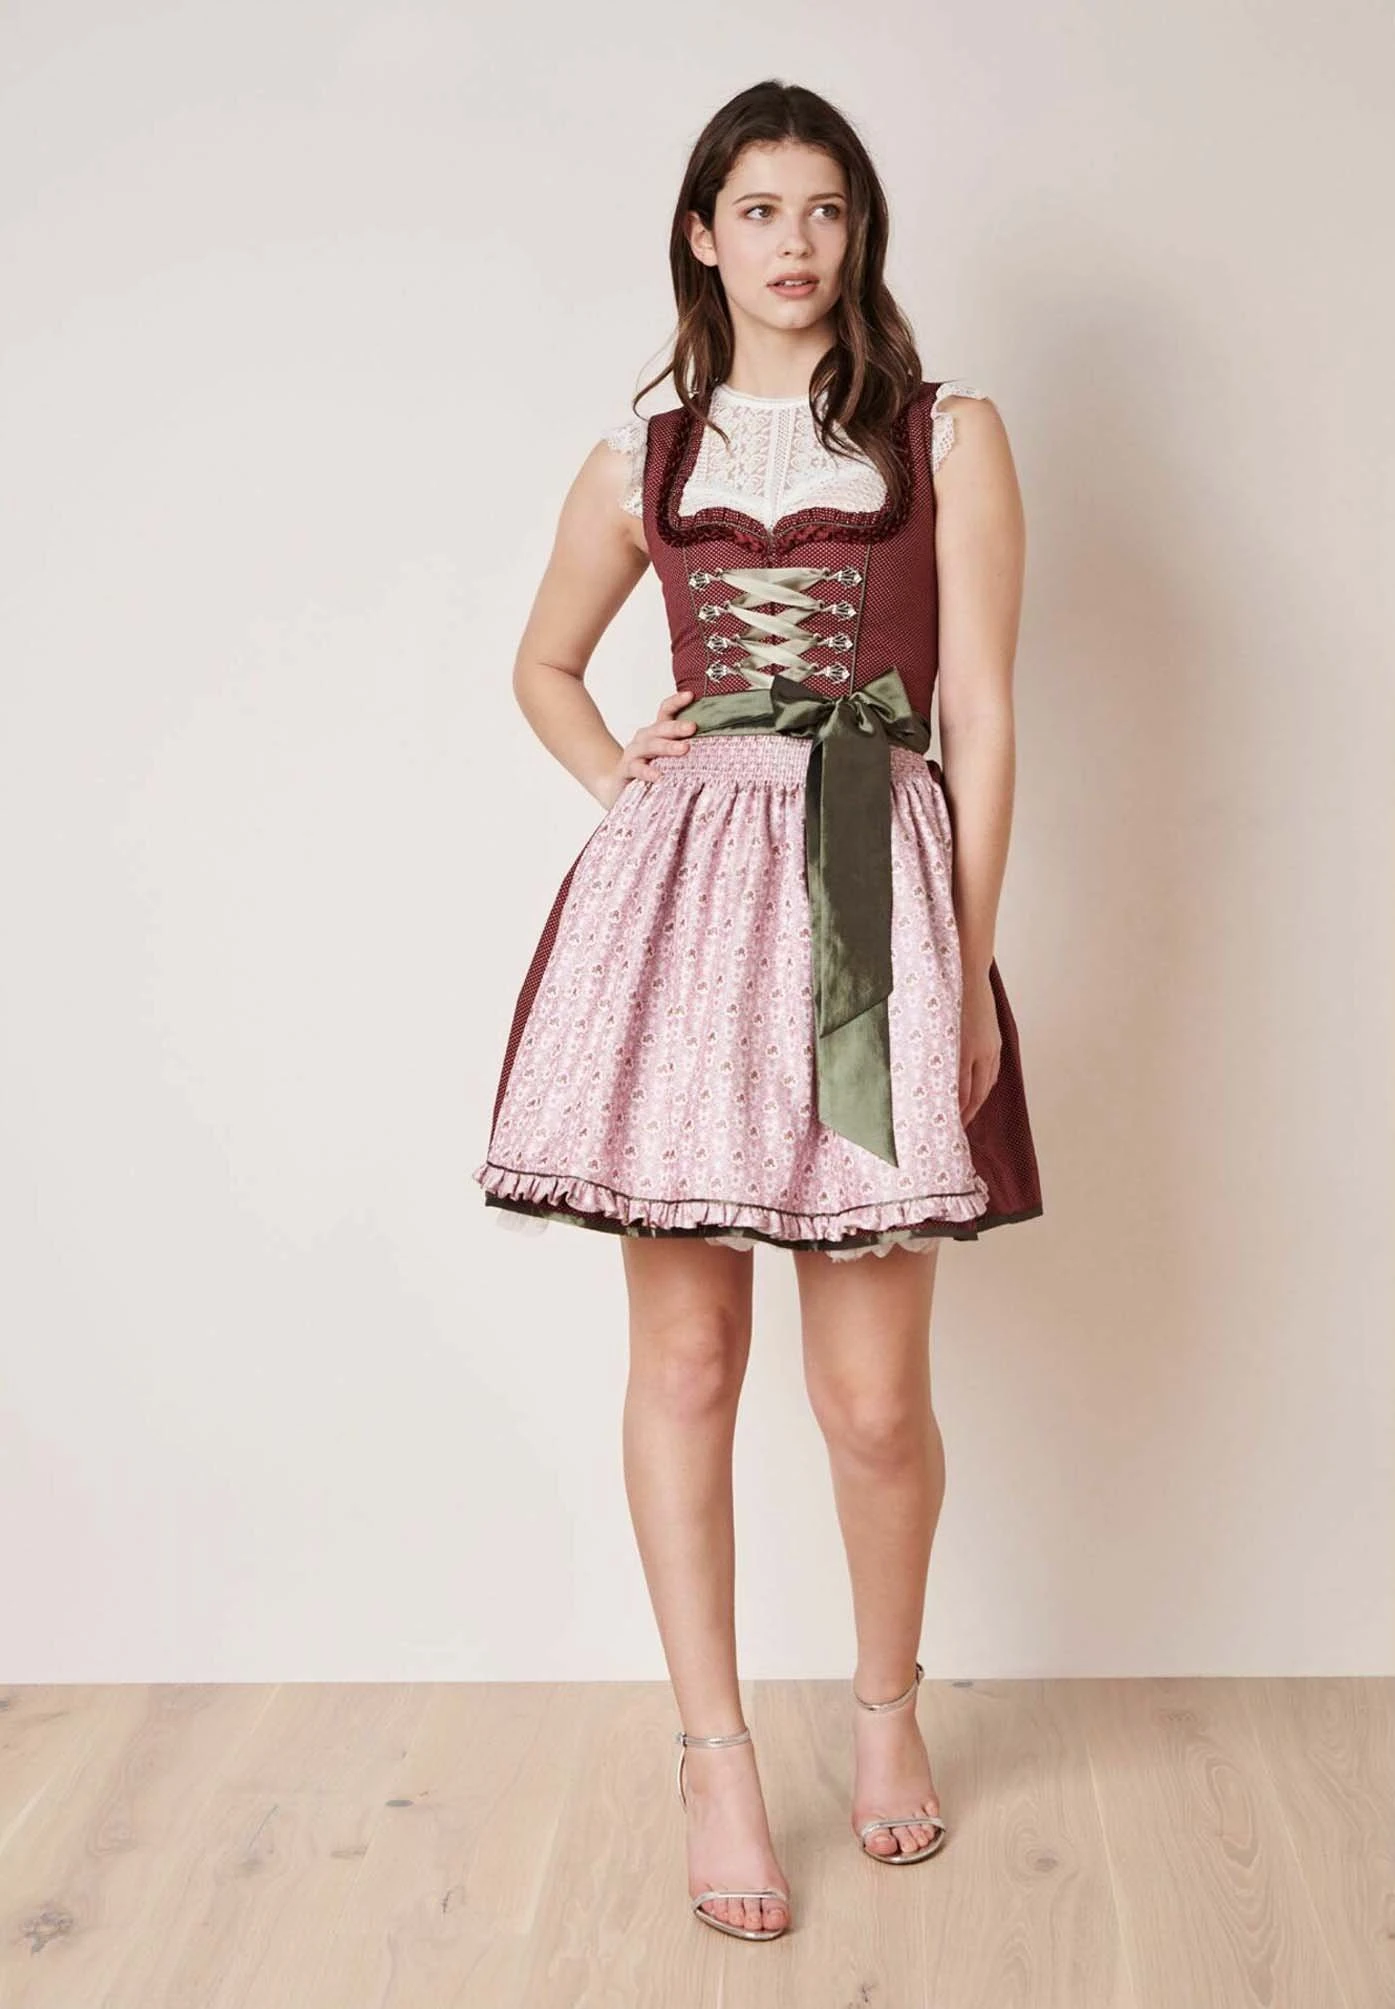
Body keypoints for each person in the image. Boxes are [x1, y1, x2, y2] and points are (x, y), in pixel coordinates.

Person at [472, 78, 1043, 1941]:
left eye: (826, 209)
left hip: (872, 892)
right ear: (701, 236)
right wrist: (618, 774)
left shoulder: (947, 435)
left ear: (857, 231)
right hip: (682, 917)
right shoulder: (637, 457)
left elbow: (980, 715)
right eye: (759, 209)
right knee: (689, 1362)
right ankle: (713, 1756)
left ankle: (884, 1712)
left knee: (870, 1400)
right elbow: (545, 666)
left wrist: (966, 963)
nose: (795, 242)